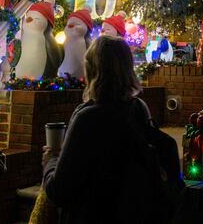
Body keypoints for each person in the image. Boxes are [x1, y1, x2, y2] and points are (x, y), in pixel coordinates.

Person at [42, 35, 164, 223]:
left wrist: (51, 161)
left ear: (91, 69)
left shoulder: (87, 118)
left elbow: (59, 191)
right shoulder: (139, 109)